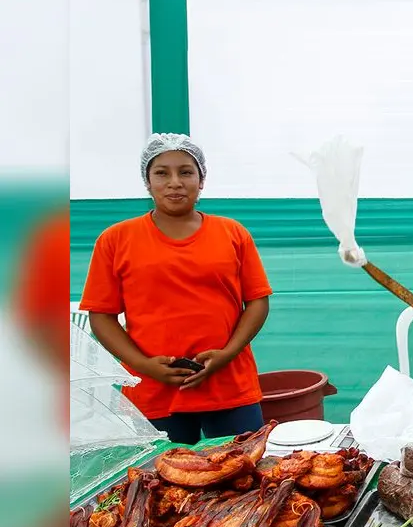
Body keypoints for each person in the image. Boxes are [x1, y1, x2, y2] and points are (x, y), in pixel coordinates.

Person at [79, 133, 273, 444]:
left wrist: (227, 353)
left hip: (230, 386)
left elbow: (258, 302)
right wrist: (144, 366)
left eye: (186, 171)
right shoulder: (115, 239)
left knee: (243, 475)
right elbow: (102, 316)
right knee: (162, 483)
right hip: (153, 392)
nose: (175, 182)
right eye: (161, 172)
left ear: (201, 180)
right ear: (147, 181)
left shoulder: (233, 233)